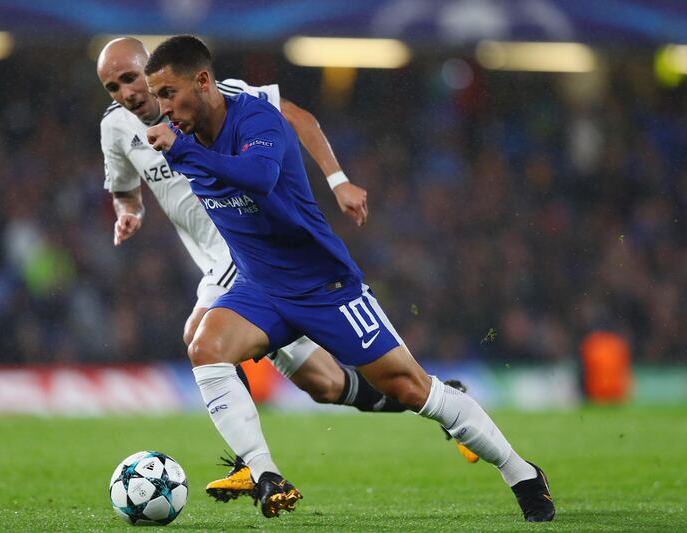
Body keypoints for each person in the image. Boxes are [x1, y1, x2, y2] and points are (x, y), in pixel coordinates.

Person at [144, 35, 555, 522]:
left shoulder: (255, 119)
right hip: (260, 288)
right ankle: (264, 473)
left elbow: (256, 177)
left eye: (168, 93)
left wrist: (336, 179)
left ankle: (521, 473)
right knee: (205, 346)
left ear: (204, 81)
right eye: (157, 97)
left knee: (411, 389)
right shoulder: (182, 136)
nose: (163, 108)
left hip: (325, 287)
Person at [96, 38, 471, 502]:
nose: (126, 93)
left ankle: (252, 467)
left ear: (151, 70)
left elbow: (298, 118)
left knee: (201, 337)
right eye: (112, 86)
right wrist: (127, 212)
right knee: (327, 386)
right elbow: (124, 186)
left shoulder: (217, 97)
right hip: (213, 262)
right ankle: (438, 398)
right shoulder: (115, 128)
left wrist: (338, 180)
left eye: (131, 78)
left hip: (248, 255)